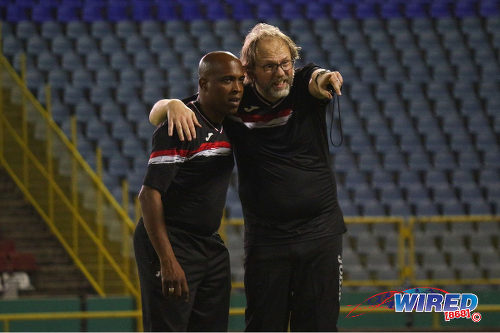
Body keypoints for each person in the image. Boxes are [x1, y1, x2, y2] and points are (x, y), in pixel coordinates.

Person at [149, 23, 346, 331]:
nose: (281, 73)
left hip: (320, 234)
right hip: (267, 240)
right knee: (263, 326)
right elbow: (161, 112)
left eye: (285, 63)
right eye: (269, 66)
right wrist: (171, 104)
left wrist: (326, 77)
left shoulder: (301, 86)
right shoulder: (235, 100)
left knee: (319, 326)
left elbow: (316, 77)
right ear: (249, 71)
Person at [134, 51, 245, 332]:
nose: (236, 88)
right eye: (227, 80)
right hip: (172, 242)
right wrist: (168, 261)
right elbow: (148, 195)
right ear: (204, 84)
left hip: (208, 244)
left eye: (240, 80)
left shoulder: (231, 120)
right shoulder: (181, 126)